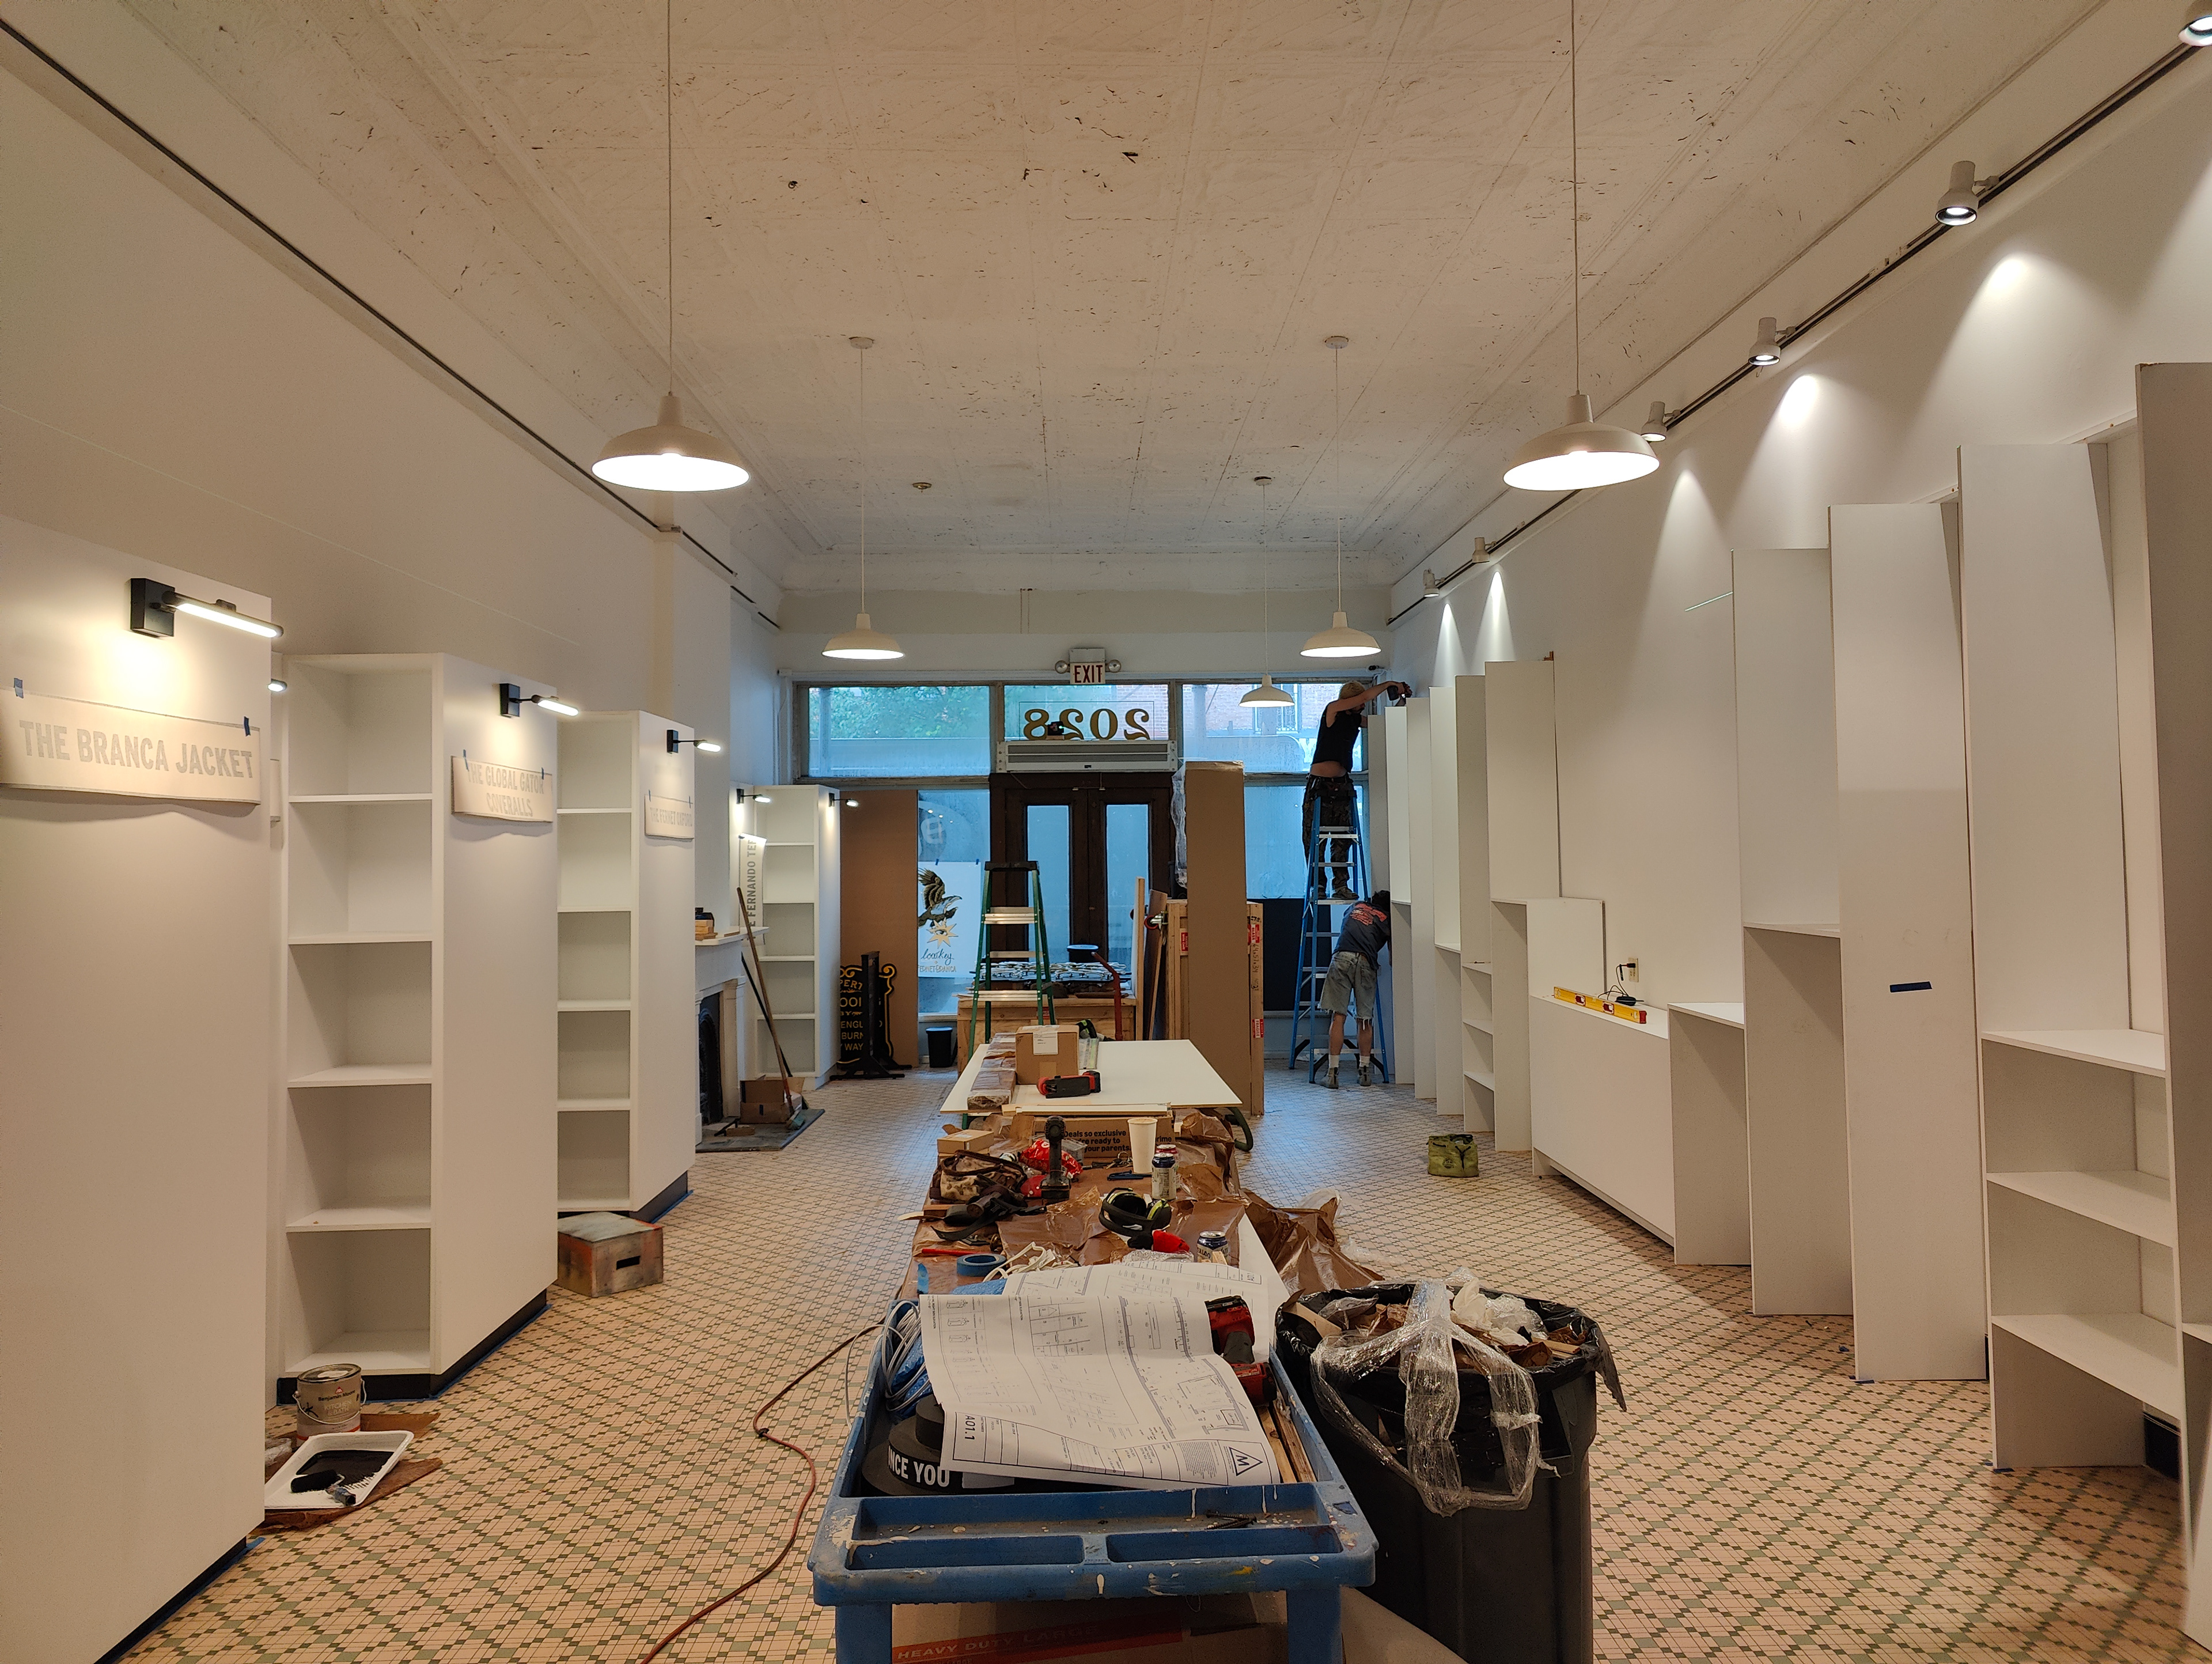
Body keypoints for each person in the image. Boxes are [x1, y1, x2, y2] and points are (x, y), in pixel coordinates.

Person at [1303, 679, 1407, 899]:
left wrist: (1402, 701)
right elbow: (1364, 698)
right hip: (1319, 785)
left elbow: (1383, 724)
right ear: (1349, 700)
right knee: (1314, 838)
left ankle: (1341, 886)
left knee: (1343, 837)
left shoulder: (1355, 720)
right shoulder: (1332, 711)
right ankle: (1318, 886)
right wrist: (1389, 683)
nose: (1362, 705)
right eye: (1358, 702)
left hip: (1342, 784)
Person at [1319, 890, 1390, 1088]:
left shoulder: (1355, 906)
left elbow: (1348, 927)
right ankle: (1365, 1073)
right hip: (1366, 961)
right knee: (1364, 1019)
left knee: (1338, 1017)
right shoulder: (1387, 920)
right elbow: (1392, 959)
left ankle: (1332, 1074)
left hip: (1342, 957)